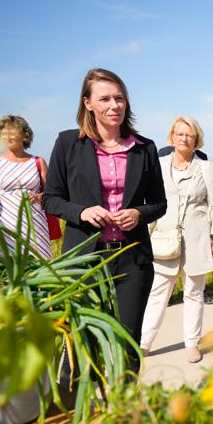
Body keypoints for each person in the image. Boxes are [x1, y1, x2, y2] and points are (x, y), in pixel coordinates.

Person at [43, 68, 166, 373]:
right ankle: (83, 400)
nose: (114, 105)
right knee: (83, 343)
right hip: (85, 260)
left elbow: (160, 203)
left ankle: (123, 401)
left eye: (119, 98)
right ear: (87, 103)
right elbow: (51, 198)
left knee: (127, 342)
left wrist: (138, 213)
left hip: (132, 259)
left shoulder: (145, 148)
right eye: (105, 99)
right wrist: (81, 212)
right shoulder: (68, 143)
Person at [139, 116, 213, 364]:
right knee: (158, 293)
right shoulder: (159, 164)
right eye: (180, 134)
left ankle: (191, 343)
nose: (184, 139)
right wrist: (144, 236)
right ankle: (144, 343)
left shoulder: (205, 167)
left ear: (196, 139)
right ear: (172, 137)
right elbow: (151, 203)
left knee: (194, 293)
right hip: (165, 239)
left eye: (189, 135)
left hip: (197, 239)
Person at [0, 115, 51, 260]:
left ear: (25, 136)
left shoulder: (38, 162)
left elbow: (51, 192)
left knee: (38, 267)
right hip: (6, 225)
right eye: (3, 132)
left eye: (11, 131)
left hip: (36, 225)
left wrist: (39, 196)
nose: (6, 136)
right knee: (6, 267)